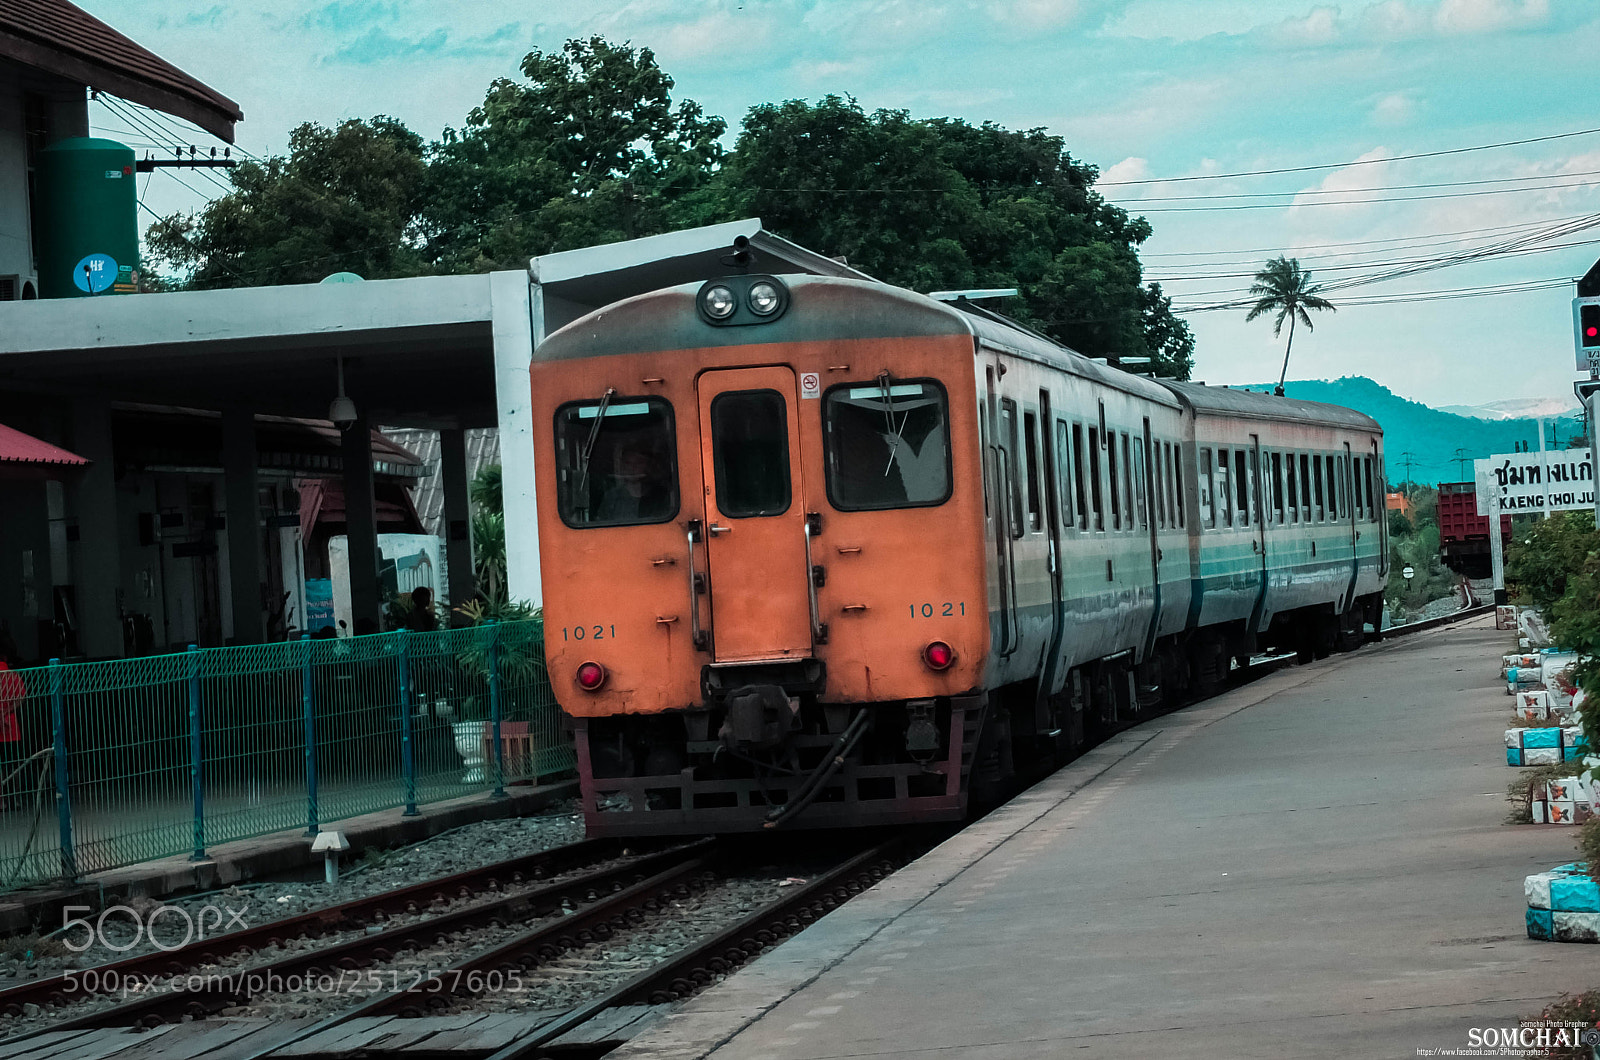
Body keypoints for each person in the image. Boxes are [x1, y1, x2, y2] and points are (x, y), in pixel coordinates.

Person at [596, 445, 669, 523]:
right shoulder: (612, 497)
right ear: (622, 466)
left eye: (639, 463)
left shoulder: (659, 496)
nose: (632, 468)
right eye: (628, 463)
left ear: (647, 466)